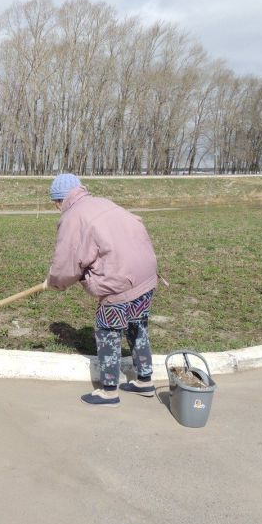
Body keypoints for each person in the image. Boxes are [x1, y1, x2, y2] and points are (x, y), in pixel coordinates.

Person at [46, 173, 158, 407]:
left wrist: (55, 282)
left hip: (119, 280)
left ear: (59, 200)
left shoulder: (73, 216)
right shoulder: (102, 202)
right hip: (146, 273)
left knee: (108, 330)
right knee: (138, 324)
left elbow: (67, 260)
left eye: (55, 204)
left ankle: (108, 391)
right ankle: (144, 380)